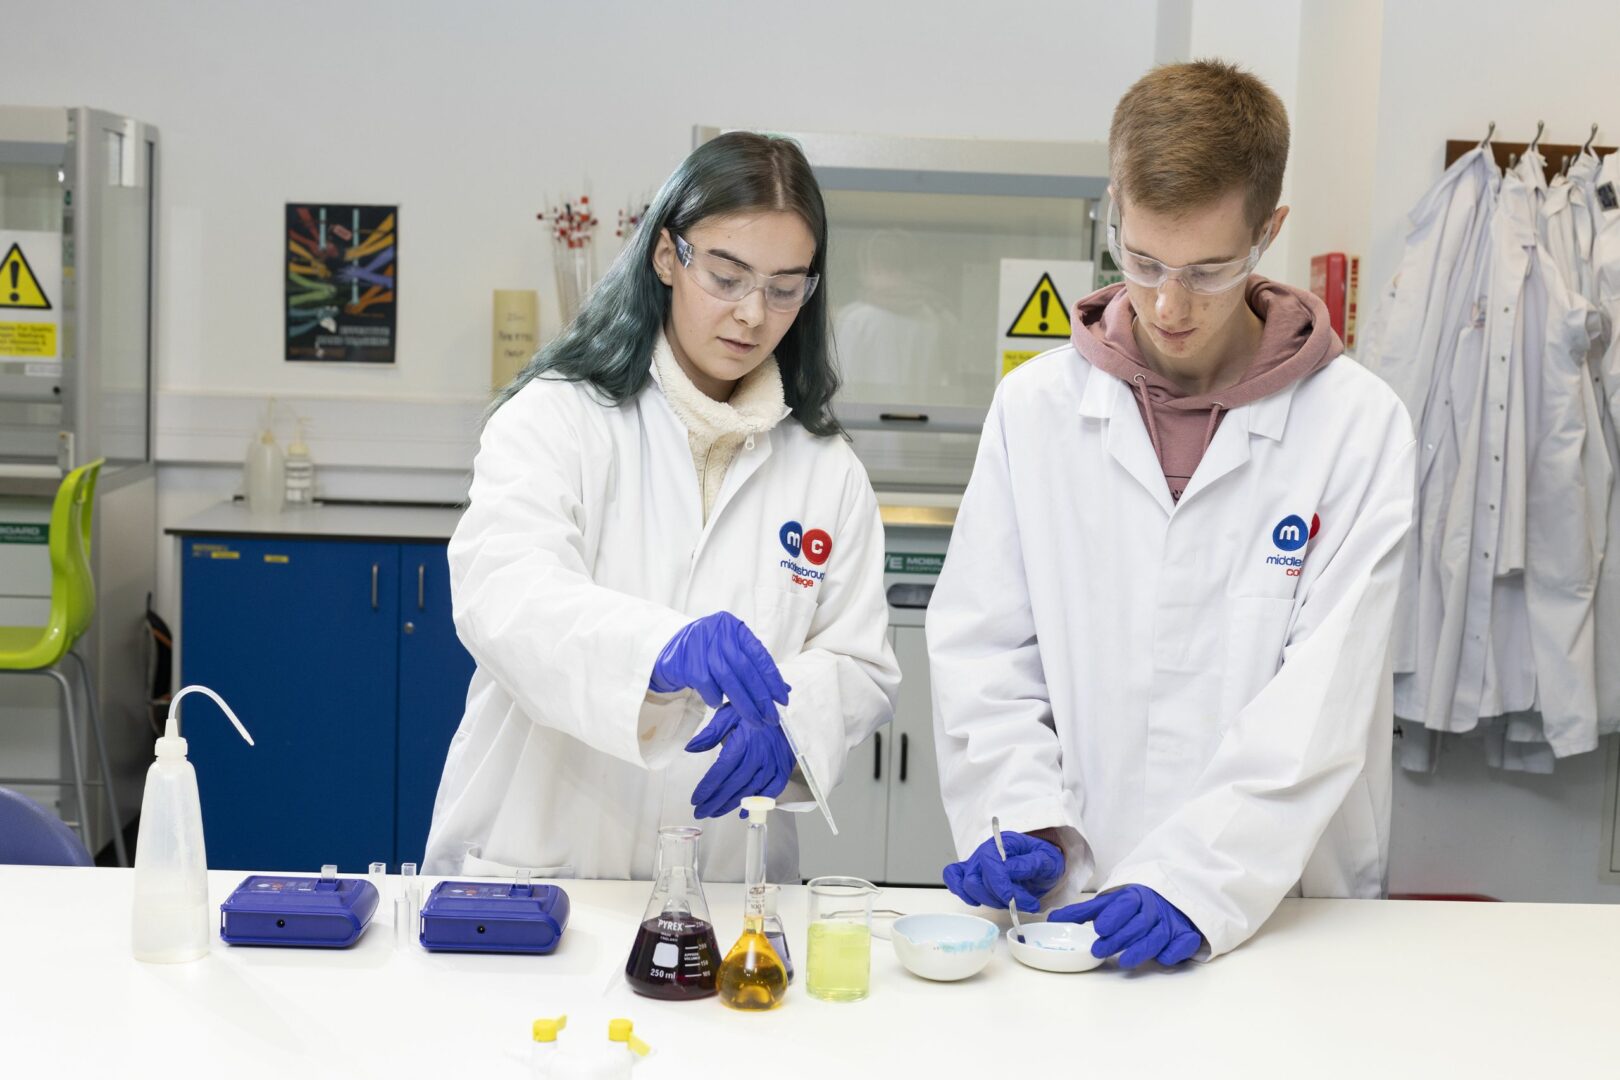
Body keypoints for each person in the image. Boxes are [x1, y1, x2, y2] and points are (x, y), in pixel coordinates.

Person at [929, 60, 1416, 967]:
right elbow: (983, 647)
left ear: (1269, 230)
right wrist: (1022, 811)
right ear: (1115, 205)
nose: (1167, 303)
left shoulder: (1355, 427)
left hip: (1280, 910)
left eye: (1208, 268)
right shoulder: (1035, 409)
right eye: (1143, 259)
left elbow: (1324, 697)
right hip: (1073, 898)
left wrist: (1199, 880)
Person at [424, 132, 899, 883]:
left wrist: (793, 724)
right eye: (727, 275)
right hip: (540, 871)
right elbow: (504, 594)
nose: (751, 314)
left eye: (784, 288)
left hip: (722, 879)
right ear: (667, 255)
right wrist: (660, 651)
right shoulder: (558, 418)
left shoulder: (825, 470)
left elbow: (859, 660)